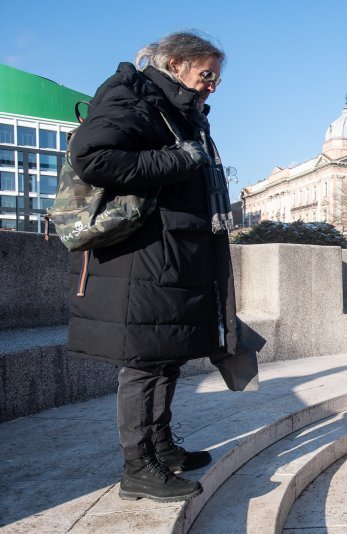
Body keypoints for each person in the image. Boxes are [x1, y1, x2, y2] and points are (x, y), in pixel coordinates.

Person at [66, 31, 237, 503]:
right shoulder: (134, 94)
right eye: (207, 75)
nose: (212, 86)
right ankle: (137, 467)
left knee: (166, 356)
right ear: (176, 63)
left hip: (172, 258)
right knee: (143, 364)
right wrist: (177, 159)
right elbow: (93, 156)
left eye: (217, 79)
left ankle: (161, 447)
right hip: (141, 259)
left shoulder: (178, 109)